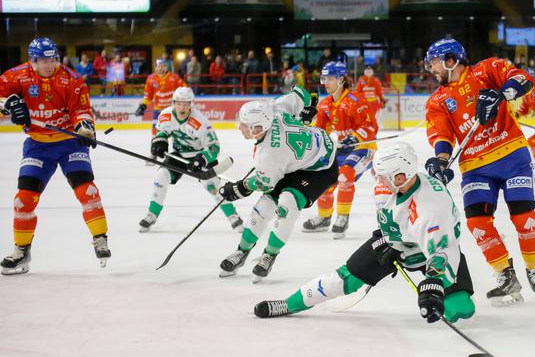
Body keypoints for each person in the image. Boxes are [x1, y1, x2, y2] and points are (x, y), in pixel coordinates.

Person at [254, 142, 475, 323]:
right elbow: (396, 216)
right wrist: (386, 238)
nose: (378, 180)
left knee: (460, 310)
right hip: (399, 242)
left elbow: (443, 250)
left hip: (433, 249)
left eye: (382, 176)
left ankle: (450, 293)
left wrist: (433, 285)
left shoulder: (430, 211)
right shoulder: (400, 184)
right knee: (342, 280)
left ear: (400, 176)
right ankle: (289, 303)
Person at [422, 38, 535, 305]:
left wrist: (501, 94)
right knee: (477, 223)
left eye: (434, 63)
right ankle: (505, 275)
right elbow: (442, 135)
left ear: (450, 60)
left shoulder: (487, 70)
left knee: (524, 215)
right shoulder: (437, 100)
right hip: (475, 167)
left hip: (512, 154)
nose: (431, 69)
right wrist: (440, 161)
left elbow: (524, 78)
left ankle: (534, 268)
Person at [0, 37, 111, 275]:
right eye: (44, 60)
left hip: (70, 143)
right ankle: (22, 251)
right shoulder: (15, 76)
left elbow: (81, 110)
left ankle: (100, 239)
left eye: (53, 59)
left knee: (87, 191)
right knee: (24, 199)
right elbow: (1, 96)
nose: (49, 64)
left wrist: (84, 128)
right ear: (33, 60)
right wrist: (9, 104)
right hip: (38, 145)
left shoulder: (72, 79)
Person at [218, 94, 338, 282]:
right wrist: (310, 105)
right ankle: (241, 251)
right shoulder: (277, 110)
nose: (238, 126)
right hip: (296, 160)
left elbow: (263, 182)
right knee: (264, 206)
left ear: (257, 128)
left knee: (287, 203)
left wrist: (238, 188)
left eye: (243, 123)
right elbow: (301, 93)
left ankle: (270, 254)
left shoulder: (270, 155)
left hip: (320, 169)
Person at [139, 87, 243, 233]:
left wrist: (202, 159)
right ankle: (151, 215)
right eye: (179, 103)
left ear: (191, 104)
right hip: (179, 155)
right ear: (174, 102)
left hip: (200, 156)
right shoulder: (165, 115)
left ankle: (232, 215)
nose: (182, 107)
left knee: (213, 187)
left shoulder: (200, 121)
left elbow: (214, 146)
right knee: (160, 176)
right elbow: (161, 131)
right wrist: (159, 142)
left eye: (186, 104)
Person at [301, 62, 378, 239]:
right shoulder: (325, 104)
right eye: (323, 78)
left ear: (341, 80)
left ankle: (343, 217)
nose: (325, 82)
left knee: (345, 175)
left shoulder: (356, 101)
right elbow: (320, 131)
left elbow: (371, 127)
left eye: (330, 78)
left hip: (363, 148)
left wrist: (355, 137)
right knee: (323, 177)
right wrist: (305, 128)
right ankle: (324, 217)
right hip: (341, 150)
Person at [135, 58, 185, 140]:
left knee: (177, 131)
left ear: (166, 67)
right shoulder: (150, 79)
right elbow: (148, 96)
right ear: (155, 67)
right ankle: (156, 145)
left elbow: (184, 90)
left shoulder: (175, 78)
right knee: (156, 130)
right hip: (158, 110)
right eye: (159, 66)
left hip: (173, 110)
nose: (161, 68)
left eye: (163, 66)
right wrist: (143, 106)